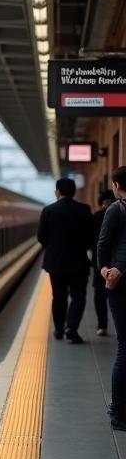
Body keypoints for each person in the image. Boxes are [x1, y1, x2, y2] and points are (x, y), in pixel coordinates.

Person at [37, 176, 92, 343]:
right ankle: (71, 327)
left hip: (55, 263)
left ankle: (59, 329)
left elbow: (41, 236)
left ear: (57, 192)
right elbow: (90, 236)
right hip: (78, 262)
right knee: (78, 296)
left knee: (58, 296)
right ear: (74, 192)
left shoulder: (48, 210)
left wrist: (54, 249)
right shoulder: (84, 209)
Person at [98, 166, 126, 430]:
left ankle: (118, 412)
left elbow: (103, 245)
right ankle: (118, 411)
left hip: (120, 285)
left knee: (125, 349)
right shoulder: (117, 210)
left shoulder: (115, 210)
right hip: (120, 285)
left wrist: (108, 268)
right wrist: (107, 268)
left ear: (116, 184)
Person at [91, 189, 115, 337]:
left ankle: (102, 325)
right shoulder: (121, 214)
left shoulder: (95, 217)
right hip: (118, 262)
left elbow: (89, 240)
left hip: (99, 263)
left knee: (99, 295)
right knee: (118, 294)